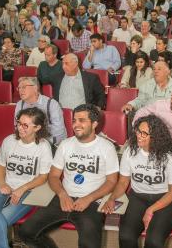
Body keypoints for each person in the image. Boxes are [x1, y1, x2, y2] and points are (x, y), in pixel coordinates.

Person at [19, 104, 119, 248]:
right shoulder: (65, 145)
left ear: (94, 124)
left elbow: (111, 181)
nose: (76, 124)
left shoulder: (106, 147)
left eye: (82, 120)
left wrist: (88, 198)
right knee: (26, 232)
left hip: (91, 201)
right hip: (63, 197)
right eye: (74, 120)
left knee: (89, 245)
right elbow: (53, 176)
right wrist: (62, 194)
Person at [102, 115, 172, 248]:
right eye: (138, 131)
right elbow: (123, 182)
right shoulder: (130, 152)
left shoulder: (169, 156)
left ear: (156, 136)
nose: (139, 135)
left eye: (144, 133)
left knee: (153, 241)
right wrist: (112, 197)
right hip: (138, 197)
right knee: (126, 237)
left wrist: (150, 210)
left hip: (165, 200)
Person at [0, 107, 53, 248]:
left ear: (37, 127)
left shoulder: (44, 147)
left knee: (0, 220)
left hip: (29, 190)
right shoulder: (9, 141)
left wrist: (22, 188)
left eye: (25, 125)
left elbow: (43, 177)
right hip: (6, 184)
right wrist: (2, 183)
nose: (20, 128)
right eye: (19, 123)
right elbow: (1, 165)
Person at [15, 77, 67, 146]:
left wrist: (39, 143)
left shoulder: (51, 104)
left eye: (24, 87)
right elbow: (17, 126)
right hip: (28, 142)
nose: (20, 90)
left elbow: (59, 131)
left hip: (51, 142)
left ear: (35, 88)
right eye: (19, 88)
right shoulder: (19, 104)